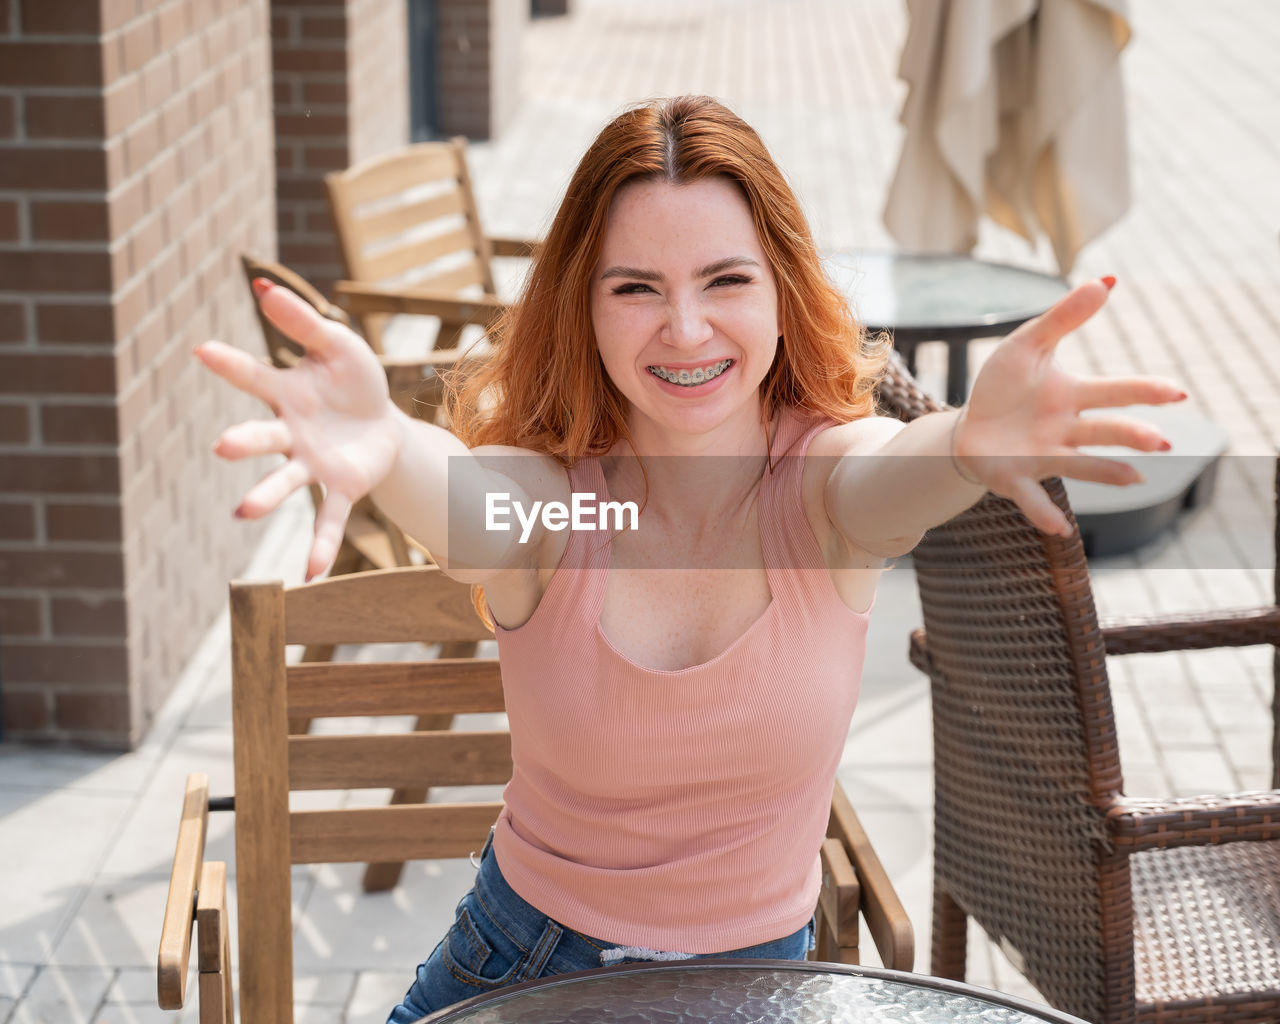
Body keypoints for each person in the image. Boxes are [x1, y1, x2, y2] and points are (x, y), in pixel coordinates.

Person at [196, 96, 1183, 1017]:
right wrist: (387, 441)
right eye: (635, 288)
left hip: (763, 985)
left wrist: (964, 446)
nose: (684, 327)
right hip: (525, 973)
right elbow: (472, 504)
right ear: (583, 306)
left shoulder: (821, 486)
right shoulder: (553, 498)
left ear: (782, 291)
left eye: (723, 279)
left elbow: (890, 476)